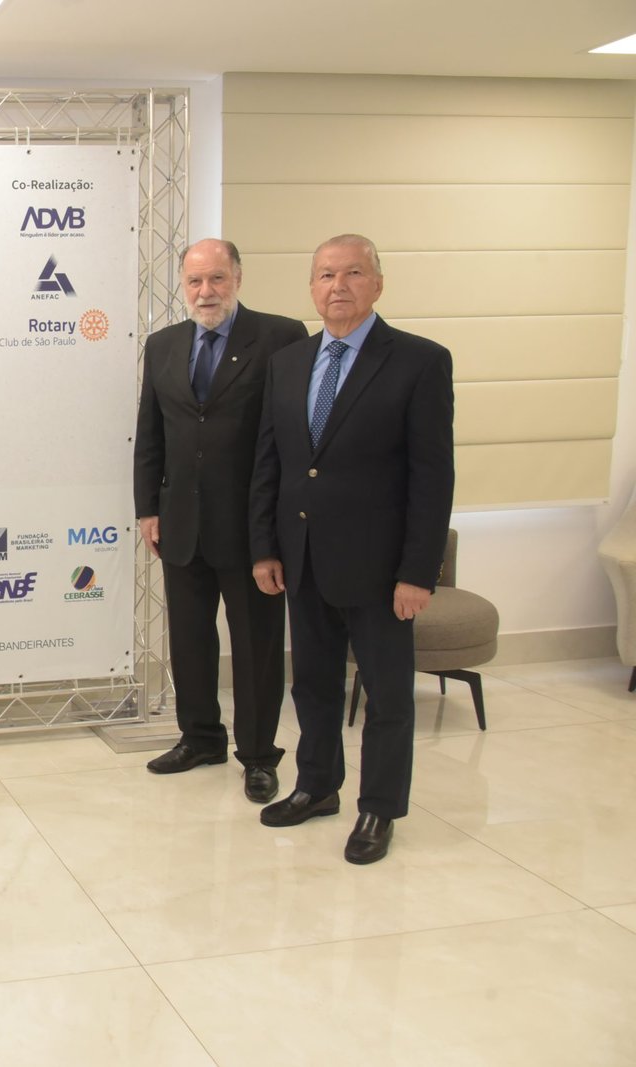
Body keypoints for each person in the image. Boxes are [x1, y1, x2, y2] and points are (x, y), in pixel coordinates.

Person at [249, 234, 454, 865]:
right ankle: (317, 787)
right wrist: (265, 548)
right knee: (313, 686)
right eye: (325, 275)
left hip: (381, 569)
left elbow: (432, 476)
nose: (337, 286)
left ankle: (379, 808)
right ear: (312, 288)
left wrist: (418, 572)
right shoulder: (288, 362)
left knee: (387, 696)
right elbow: (271, 464)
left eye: (353, 273)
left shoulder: (419, 361)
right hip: (303, 558)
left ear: (378, 284)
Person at [134, 238, 307, 802]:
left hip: (253, 530)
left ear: (237, 278)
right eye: (194, 281)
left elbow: (291, 438)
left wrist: (277, 529)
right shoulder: (163, 345)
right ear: (183, 286)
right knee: (189, 641)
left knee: (257, 648)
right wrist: (147, 508)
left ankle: (257, 755)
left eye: (216, 279)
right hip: (180, 524)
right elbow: (151, 432)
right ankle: (200, 737)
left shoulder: (281, 337)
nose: (205, 292)